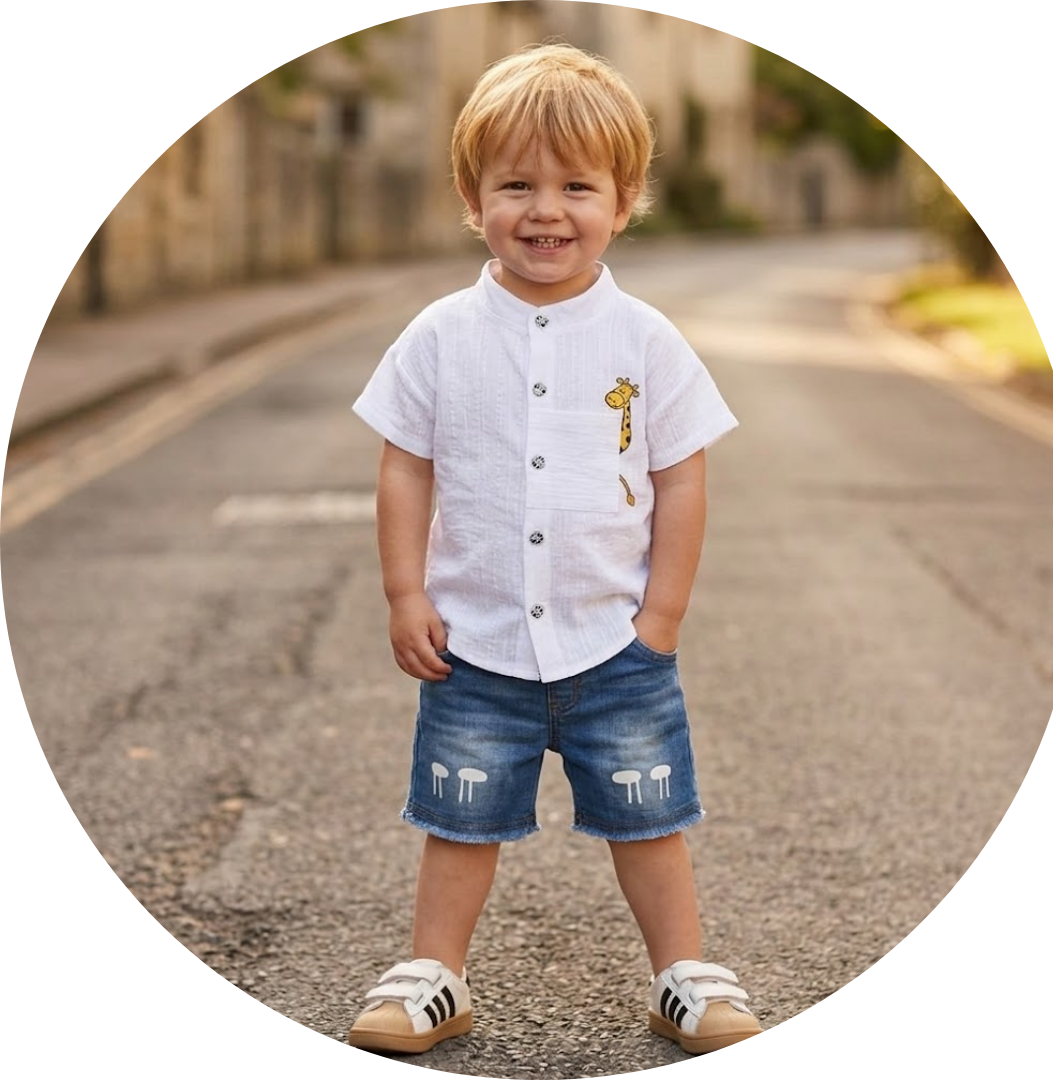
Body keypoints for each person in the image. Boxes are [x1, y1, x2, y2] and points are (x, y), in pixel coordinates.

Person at [348, 42, 761, 1057]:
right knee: (461, 822)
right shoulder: (441, 335)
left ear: (623, 202)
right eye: (516, 184)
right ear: (470, 195)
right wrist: (407, 593)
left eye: (577, 185)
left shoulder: (647, 340)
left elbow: (682, 477)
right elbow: (406, 467)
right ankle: (433, 971)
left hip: (614, 644)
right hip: (476, 642)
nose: (546, 208)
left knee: (648, 819)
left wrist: (659, 617)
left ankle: (683, 974)